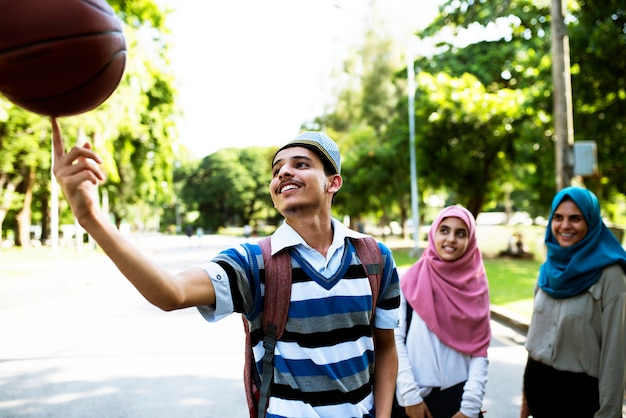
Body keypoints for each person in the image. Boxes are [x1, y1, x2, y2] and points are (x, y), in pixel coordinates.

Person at [51, 119, 400, 418]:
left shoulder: (375, 258)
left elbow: (385, 347)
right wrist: (91, 218)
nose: (284, 173)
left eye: (301, 164)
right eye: (277, 170)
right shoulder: (253, 263)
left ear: (333, 182)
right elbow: (172, 292)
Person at [520, 186, 626, 418]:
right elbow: (535, 338)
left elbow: (615, 353)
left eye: (575, 218)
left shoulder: (611, 275)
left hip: (581, 399)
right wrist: (525, 399)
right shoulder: (547, 270)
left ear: (591, 221)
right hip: (537, 389)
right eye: (558, 217)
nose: (565, 226)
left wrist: (609, 413)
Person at [394, 205, 490, 418]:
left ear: (470, 240)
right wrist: (410, 397)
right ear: (433, 232)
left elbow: (480, 351)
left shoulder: (477, 288)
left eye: (461, 233)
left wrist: (470, 407)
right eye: (444, 230)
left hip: (459, 401)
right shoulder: (408, 281)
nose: (451, 239)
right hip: (414, 400)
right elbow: (395, 341)